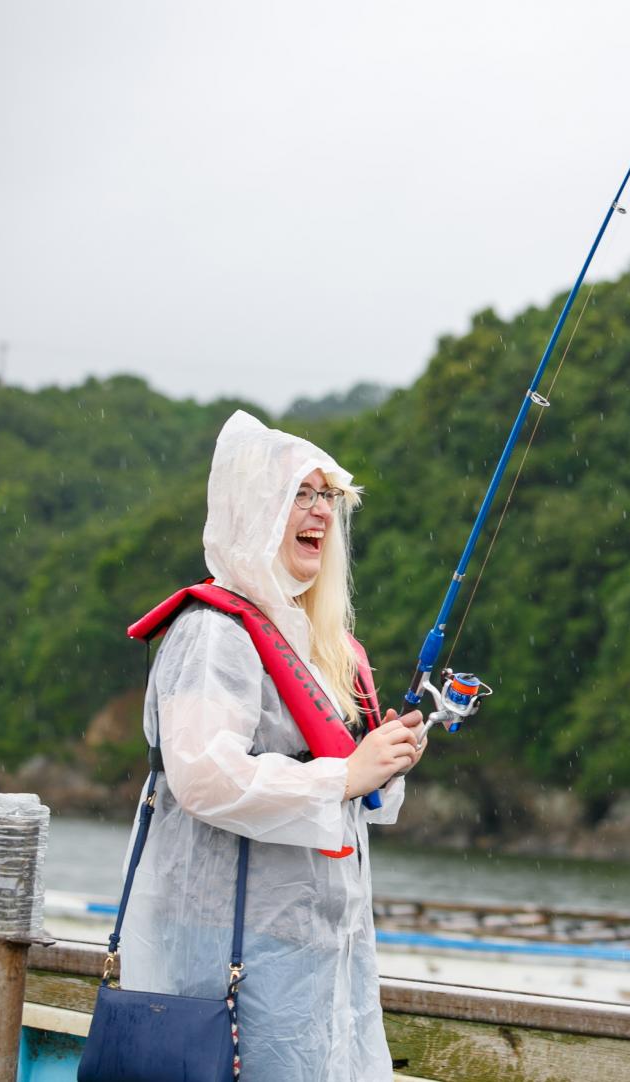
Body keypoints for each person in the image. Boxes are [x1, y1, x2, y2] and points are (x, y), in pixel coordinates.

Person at [115, 410, 427, 1081]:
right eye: (299, 495)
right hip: (231, 951)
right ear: (253, 508)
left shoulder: (314, 642)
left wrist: (384, 761)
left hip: (319, 945)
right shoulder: (213, 635)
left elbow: (347, 791)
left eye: (327, 496)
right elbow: (206, 779)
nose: (319, 512)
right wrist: (344, 775)